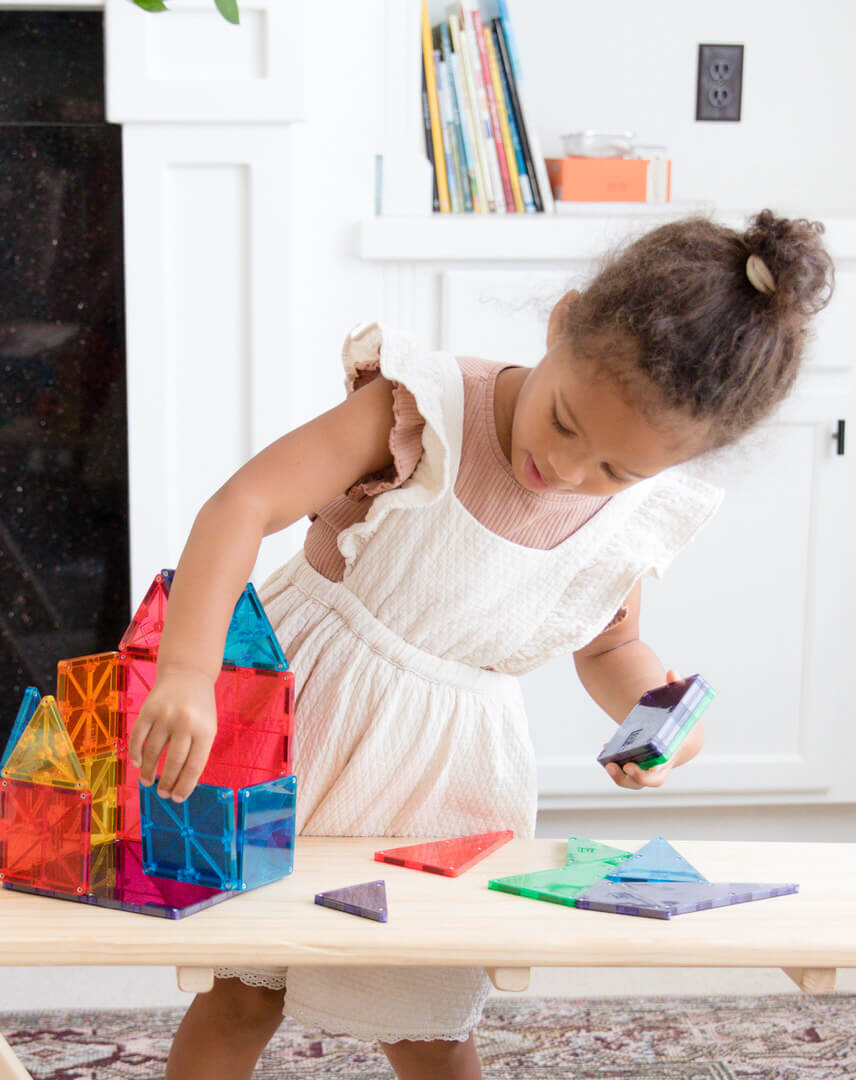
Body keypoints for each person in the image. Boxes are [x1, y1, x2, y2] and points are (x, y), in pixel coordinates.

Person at [130, 210, 834, 1080]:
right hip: (302, 725)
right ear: (562, 323)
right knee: (241, 992)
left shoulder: (626, 518)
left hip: (448, 779)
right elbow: (243, 503)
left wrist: (660, 723)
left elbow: (611, 648)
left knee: (428, 1019)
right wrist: (188, 670)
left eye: (616, 470)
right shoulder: (424, 409)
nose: (569, 471)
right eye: (565, 422)